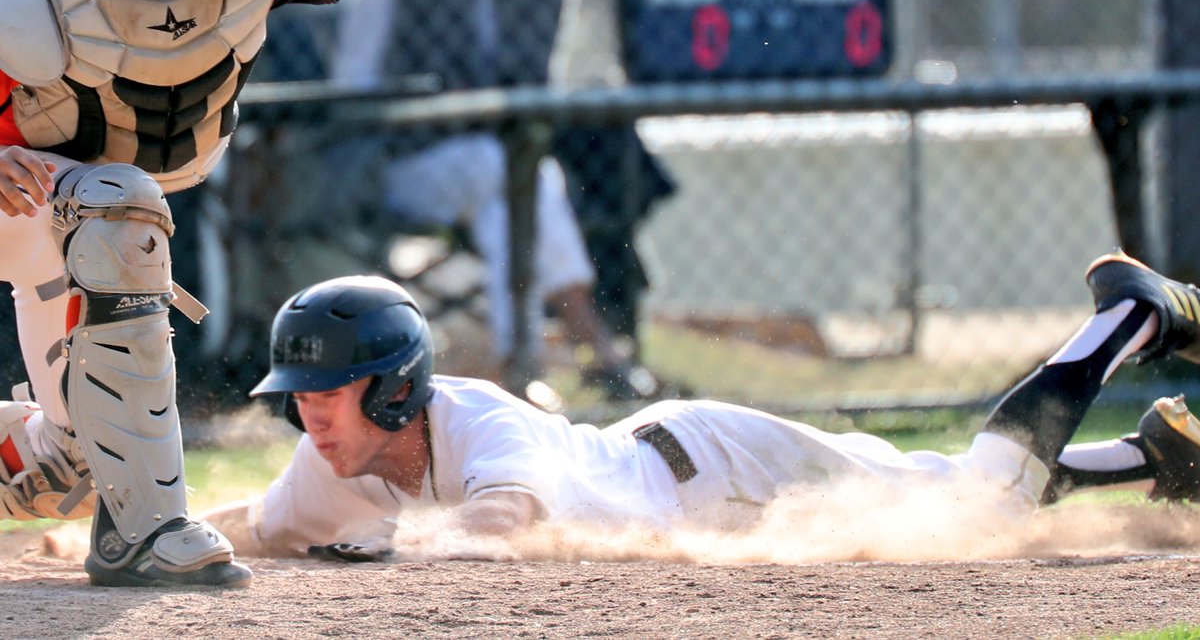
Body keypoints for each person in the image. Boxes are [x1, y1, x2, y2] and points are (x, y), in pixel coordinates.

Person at [0, 0, 623, 588]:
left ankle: (100, 492)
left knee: (73, 471)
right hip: (32, 204)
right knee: (118, 199)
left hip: (70, 227)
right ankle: (145, 532)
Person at [203, 250, 1200, 558]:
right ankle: (1149, 462)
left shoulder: (483, 424)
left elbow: (501, 517)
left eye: (329, 393)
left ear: (397, 387)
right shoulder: (329, 465)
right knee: (950, 488)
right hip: (692, 479)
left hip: (721, 464)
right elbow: (252, 525)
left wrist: (401, 548)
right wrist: (133, 526)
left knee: (980, 505)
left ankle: (1128, 322)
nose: (311, 418)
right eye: (300, 399)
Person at [333, 0, 654, 401]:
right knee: (508, 172)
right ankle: (589, 347)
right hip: (401, 161)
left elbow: (541, 87)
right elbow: (355, 82)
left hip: (497, 166)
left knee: (510, 182)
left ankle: (522, 367)